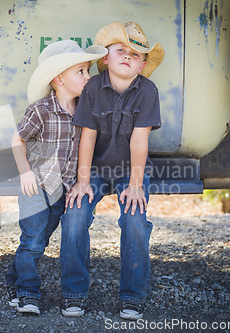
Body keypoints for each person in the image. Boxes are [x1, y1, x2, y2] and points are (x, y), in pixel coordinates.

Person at [59, 22, 165, 320]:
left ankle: (132, 297)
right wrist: (82, 181)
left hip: (129, 170)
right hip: (92, 169)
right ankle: (74, 294)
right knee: (75, 214)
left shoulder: (147, 91)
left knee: (134, 219)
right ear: (106, 57)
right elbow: (87, 136)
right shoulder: (93, 87)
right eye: (121, 50)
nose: (128, 56)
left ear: (143, 64)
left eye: (135, 54)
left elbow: (140, 139)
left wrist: (135, 185)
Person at [5, 40, 107, 315]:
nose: (88, 77)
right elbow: (18, 138)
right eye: (82, 72)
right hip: (36, 188)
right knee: (33, 241)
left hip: (62, 190)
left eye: (87, 71)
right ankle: (28, 293)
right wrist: (24, 171)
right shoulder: (41, 110)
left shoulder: (83, 111)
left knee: (42, 238)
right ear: (59, 79)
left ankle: (14, 281)